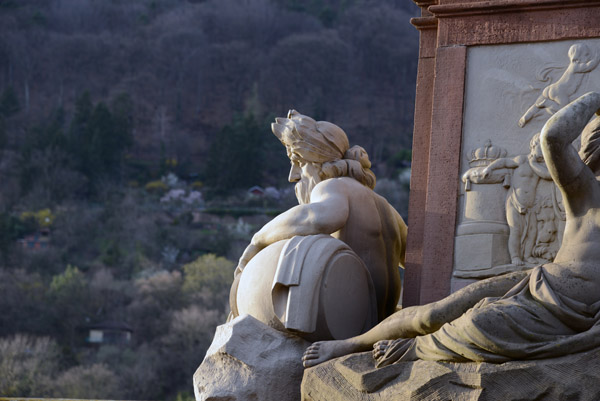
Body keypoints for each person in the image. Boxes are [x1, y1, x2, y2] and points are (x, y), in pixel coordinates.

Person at [303, 92, 600, 368]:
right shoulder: (587, 191)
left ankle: (416, 348)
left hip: (581, 309)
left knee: (481, 324)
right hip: (547, 284)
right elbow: (553, 138)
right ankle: (349, 344)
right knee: (436, 312)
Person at [229, 110, 407, 323]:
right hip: (380, 319)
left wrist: (259, 239)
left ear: (317, 162)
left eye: (298, 162)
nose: (293, 175)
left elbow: (320, 217)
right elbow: (414, 257)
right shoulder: (387, 208)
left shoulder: (332, 186)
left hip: (349, 320)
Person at [479, 133, 552, 265]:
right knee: (515, 230)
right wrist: (489, 168)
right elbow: (504, 162)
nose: (543, 150)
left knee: (532, 232)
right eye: (541, 146)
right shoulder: (521, 160)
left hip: (531, 206)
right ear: (533, 146)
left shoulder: (540, 165)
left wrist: (534, 163)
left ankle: (528, 255)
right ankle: (515, 257)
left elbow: (548, 175)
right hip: (515, 202)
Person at [519, 43, 599, 128]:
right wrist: (597, 57)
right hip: (560, 91)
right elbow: (589, 66)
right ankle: (548, 104)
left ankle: (526, 116)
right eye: (587, 54)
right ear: (577, 57)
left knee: (536, 105)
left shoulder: (575, 66)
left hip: (552, 88)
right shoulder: (575, 66)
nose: (589, 57)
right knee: (564, 111)